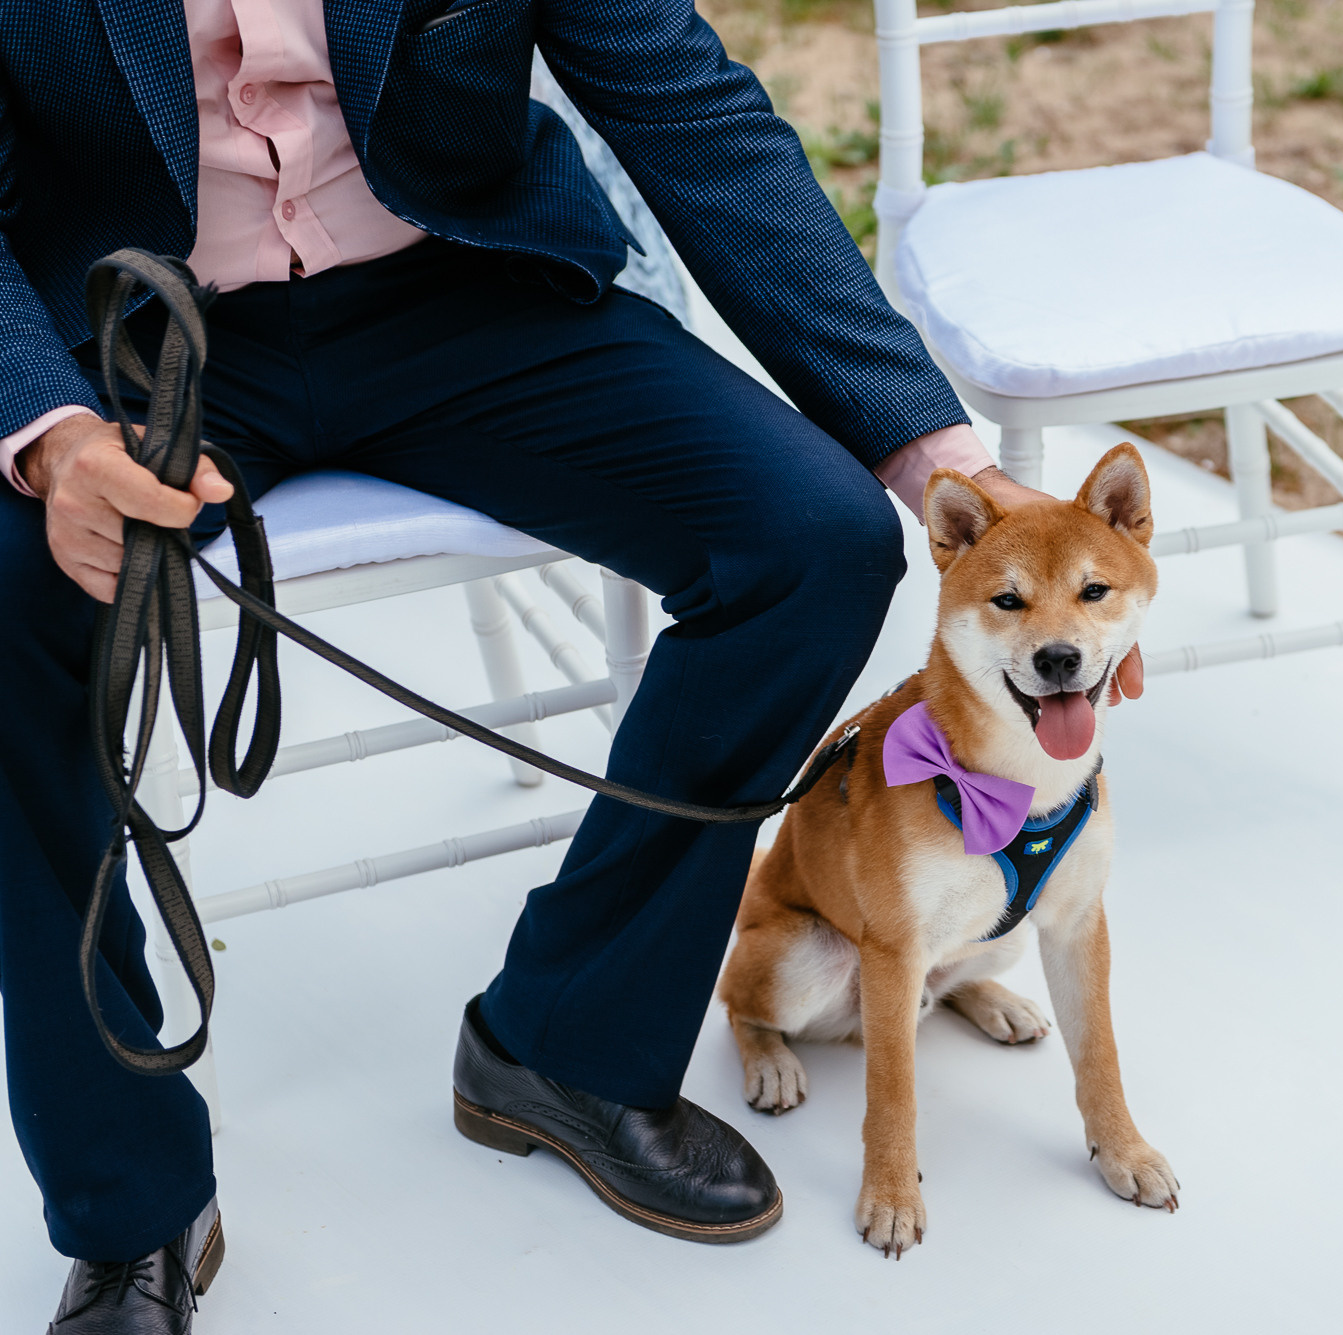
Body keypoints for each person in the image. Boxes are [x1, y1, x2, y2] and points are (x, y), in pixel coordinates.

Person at [0, 2, 1140, 1329]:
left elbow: (691, 112)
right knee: (7, 609)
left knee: (814, 543)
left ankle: (568, 1042)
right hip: (121, 330)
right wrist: (49, 434)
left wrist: (944, 463)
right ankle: (129, 1203)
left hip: (459, 289)